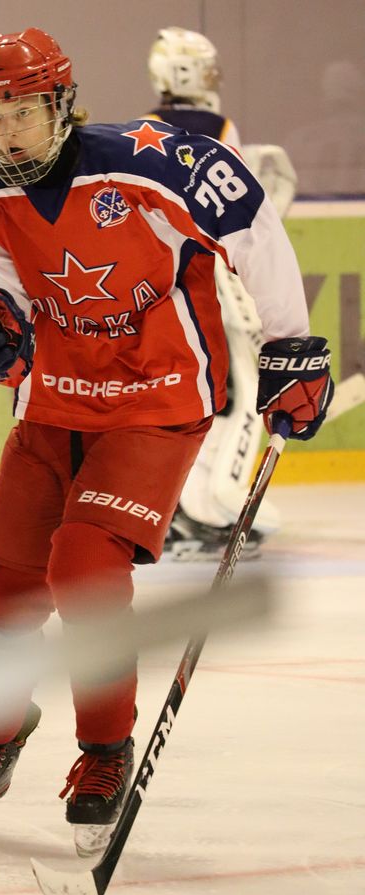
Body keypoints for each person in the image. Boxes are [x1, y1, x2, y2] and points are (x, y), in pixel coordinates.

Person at [0, 27, 334, 856]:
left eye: (25, 112)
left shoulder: (149, 162)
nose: (9, 133)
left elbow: (249, 219)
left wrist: (290, 342)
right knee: (7, 587)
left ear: (62, 104)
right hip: (52, 408)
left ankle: (104, 752)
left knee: (84, 566)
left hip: (158, 398)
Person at [145, 26, 299, 560]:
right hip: (212, 281)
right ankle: (209, 509)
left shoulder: (143, 129)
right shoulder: (216, 127)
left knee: (189, 399)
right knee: (241, 394)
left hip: (161, 286)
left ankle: (171, 510)